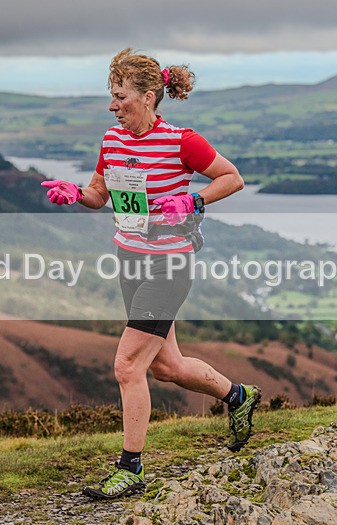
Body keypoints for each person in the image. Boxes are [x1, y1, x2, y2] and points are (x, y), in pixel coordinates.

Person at [41, 48, 261, 500]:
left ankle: (131, 467)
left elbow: (232, 178)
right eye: (111, 96)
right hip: (130, 261)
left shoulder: (182, 141)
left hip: (169, 263)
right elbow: (100, 194)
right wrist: (75, 193)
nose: (112, 105)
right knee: (165, 366)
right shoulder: (112, 140)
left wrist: (193, 200)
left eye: (120, 96)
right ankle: (239, 397)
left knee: (126, 365)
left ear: (147, 96)